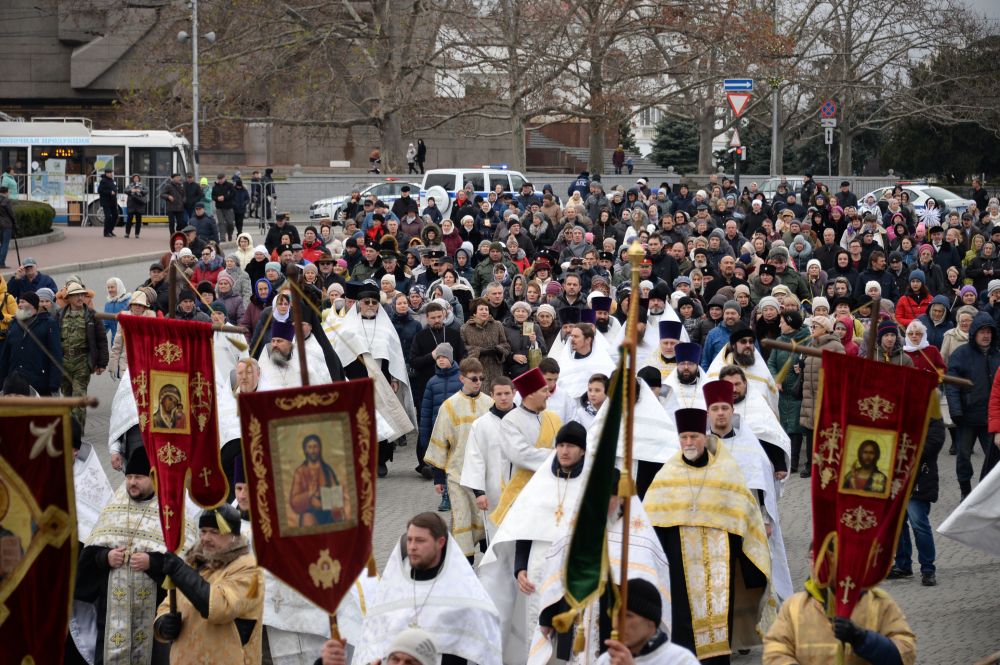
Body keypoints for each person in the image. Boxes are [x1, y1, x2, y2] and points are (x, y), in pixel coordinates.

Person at [643, 407, 771, 663]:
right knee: (683, 621)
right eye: (684, 438)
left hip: (720, 564)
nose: (689, 442)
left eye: (694, 436)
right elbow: (651, 525)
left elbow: (744, 517)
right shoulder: (667, 475)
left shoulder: (725, 472)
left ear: (704, 436)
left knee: (719, 622)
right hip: (679, 566)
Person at [478, 422, 589, 665]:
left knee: (575, 629)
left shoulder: (592, 484)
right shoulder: (541, 482)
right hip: (539, 563)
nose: (564, 451)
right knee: (538, 624)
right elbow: (524, 528)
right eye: (560, 445)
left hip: (577, 566)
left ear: (582, 450)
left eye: (570, 446)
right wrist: (520, 568)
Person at [74, 448, 196, 664]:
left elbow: (187, 562)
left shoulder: (169, 509)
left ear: (152, 477)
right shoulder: (115, 506)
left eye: (138, 477)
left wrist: (153, 562)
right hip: (112, 614)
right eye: (129, 477)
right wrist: (105, 557)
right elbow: (89, 556)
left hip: (156, 616)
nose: (131, 482)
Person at [356, 512, 502, 665]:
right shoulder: (393, 589)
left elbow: (485, 652)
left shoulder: (464, 594)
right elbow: (372, 647)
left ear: (440, 542)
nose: (412, 547)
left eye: (420, 541)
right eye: (410, 540)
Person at [154, 505, 264, 662]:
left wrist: (180, 572)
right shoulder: (193, 563)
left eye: (215, 532)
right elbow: (168, 604)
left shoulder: (248, 568)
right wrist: (163, 624)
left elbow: (220, 607)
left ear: (233, 535)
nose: (206, 538)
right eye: (203, 531)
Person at [425, 357, 493, 558]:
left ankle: (489, 564)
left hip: (484, 475)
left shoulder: (489, 403)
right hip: (458, 474)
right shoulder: (450, 406)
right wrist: (438, 478)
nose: (478, 382)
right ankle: (466, 565)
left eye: (481, 378)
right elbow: (440, 440)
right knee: (462, 520)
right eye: (473, 378)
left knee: (485, 521)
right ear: (462, 378)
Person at [763, 585, 916, 664]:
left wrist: (862, 639)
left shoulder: (877, 603)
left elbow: (905, 652)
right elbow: (775, 647)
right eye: (812, 557)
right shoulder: (795, 605)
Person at [491, 367, 561, 527]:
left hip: (548, 493)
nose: (549, 395)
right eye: (544, 391)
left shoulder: (552, 418)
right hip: (521, 496)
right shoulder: (510, 421)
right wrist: (558, 457)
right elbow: (522, 455)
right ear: (530, 393)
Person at [945, 312, 1000, 498]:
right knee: (963, 459)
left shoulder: (997, 355)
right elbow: (951, 384)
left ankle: (988, 497)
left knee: (994, 460)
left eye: (989, 332)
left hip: (990, 420)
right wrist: (956, 411)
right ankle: (965, 494)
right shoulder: (961, 354)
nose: (986, 335)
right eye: (982, 331)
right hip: (966, 417)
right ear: (974, 333)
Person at [460, 377, 516, 539]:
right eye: (499, 394)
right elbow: (474, 459)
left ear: (514, 393)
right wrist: (479, 493)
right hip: (494, 493)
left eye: (507, 393)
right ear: (491, 395)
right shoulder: (481, 425)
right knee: (498, 539)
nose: (503, 397)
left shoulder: (525, 420)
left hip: (522, 491)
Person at [595, 579, 698, 665]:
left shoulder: (681, 660)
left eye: (628, 616)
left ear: (651, 621)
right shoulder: (606, 660)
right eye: (616, 616)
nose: (617, 624)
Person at [58, 281, 109, 425]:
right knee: (67, 398)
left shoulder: (92, 315)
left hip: (82, 362)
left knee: (79, 397)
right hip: (64, 362)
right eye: (76, 295)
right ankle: (68, 430)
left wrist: (102, 363)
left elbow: (101, 340)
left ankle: (77, 433)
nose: (80, 298)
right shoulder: (60, 315)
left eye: (82, 294)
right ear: (68, 298)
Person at [289, 434, 344, 526]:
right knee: (308, 520)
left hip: (328, 512)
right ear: (305, 450)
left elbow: (336, 493)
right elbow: (294, 501)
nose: (313, 451)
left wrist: (328, 503)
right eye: (310, 447)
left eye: (315, 447)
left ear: (319, 449)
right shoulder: (300, 472)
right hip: (310, 512)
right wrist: (309, 494)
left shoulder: (327, 470)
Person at [124, 174, 147, 238]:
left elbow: (146, 191)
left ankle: (137, 234)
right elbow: (125, 190)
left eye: (137, 178)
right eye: (135, 178)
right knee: (129, 220)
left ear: (139, 179)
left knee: (138, 220)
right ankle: (127, 233)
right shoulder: (130, 185)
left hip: (139, 204)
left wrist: (140, 191)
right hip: (131, 204)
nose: (136, 179)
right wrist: (131, 190)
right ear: (133, 179)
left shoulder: (142, 185)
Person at [98, 168, 119, 237]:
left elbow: (114, 188)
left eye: (111, 173)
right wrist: (110, 192)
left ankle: (110, 230)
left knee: (115, 215)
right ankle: (106, 232)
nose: (111, 174)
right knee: (108, 217)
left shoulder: (112, 180)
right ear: (106, 173)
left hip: (113, 201)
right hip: (106, 202)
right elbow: (100, 190)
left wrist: (115, 190)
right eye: (110, 173)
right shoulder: (103, 181)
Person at [0, 186, 14, 269]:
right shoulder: (7, 201)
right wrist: (15, 225)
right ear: (6, 192)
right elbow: (11, 214)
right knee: (5, 244)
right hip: (6, 225)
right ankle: (1, 263)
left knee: (2, 244)